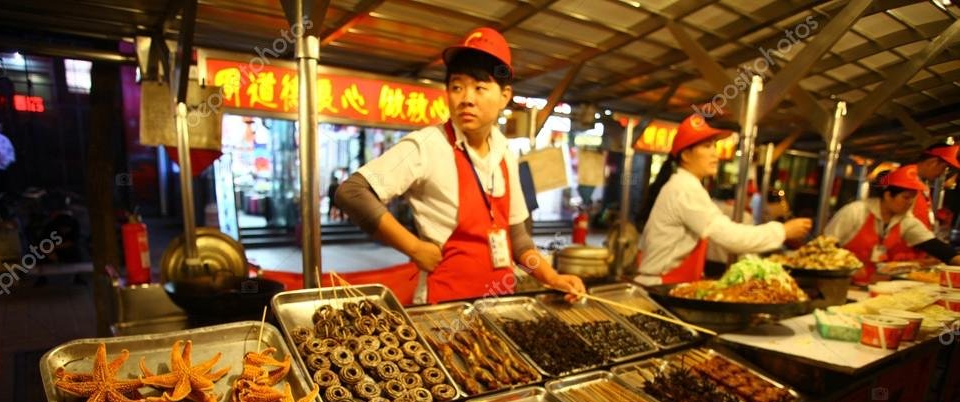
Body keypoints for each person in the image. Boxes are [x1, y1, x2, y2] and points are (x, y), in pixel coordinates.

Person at [335, 27, 585, 304]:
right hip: (445, 310)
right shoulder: (428, 144)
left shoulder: (505, 153)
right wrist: (414, 247)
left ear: (504, 96)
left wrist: (552, 278)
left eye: (479, 87)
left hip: (499, 305)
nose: (466, 98)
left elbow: (517, 238)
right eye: (457, 86)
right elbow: (353, 192)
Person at [635, 114, 811, 285]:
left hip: (667, 282)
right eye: (706, 146)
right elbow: (730, 237)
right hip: (659, 286)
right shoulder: (685, 189)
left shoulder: (683, 185)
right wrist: (782, 231)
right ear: (686, 155)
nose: (715, 154)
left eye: (714, 146)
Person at [824, 164, 960, 283]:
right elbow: (825, 247)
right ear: (888, 195)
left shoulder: (905, 220)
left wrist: (955, 259)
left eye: (913, 198)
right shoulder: (855, 212)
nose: (910, 203)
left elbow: (935, 246)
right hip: (840, 283)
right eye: (905, 197)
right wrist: (849, 268)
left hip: (872, 287)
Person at [911, 143, 959, 235]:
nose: (942, 174)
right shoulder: (904, 183)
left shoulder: (923, 185)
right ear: (932, 162)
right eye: (944, 168)